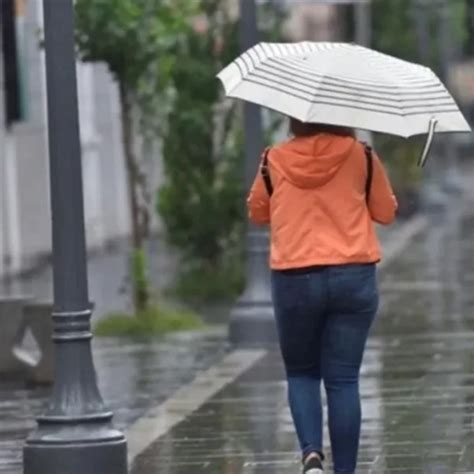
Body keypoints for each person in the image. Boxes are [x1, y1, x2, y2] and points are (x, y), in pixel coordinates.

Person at [247, 118, 397, 474]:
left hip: (294, 277)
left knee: (301, 373)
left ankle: (311, 458)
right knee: (343, 378)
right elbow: (386, 213)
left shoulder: (274, 159)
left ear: (296, 120)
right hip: (353, 276)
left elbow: (257, 212)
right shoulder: (361, 156)